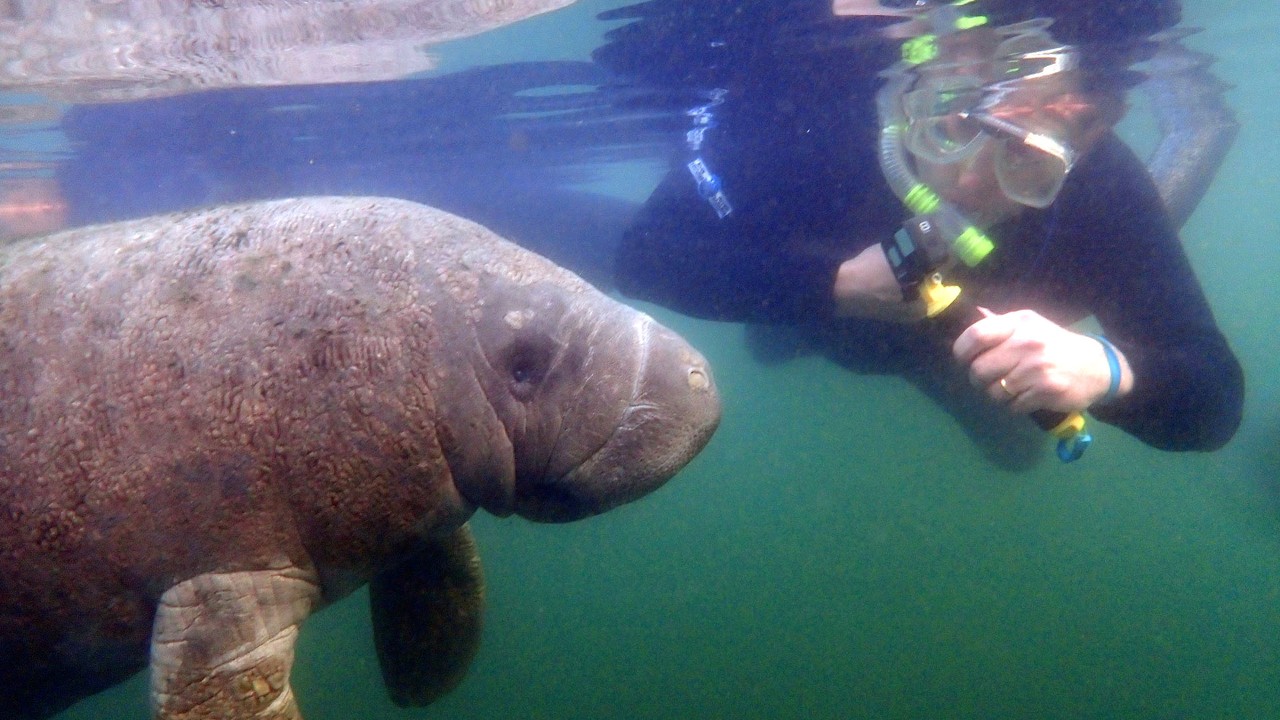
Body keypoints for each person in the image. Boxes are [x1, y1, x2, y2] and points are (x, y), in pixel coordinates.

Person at [609, 0, 1243, 465]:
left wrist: (1109, 373)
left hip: (957, 362)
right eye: (951, 125)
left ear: (1092, 127)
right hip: (822, 326)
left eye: (1023, 155)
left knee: (1018, 458)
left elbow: (1214, 398)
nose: (968, 181)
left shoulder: (1100, 188)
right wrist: (828, 287)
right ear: (911, 88)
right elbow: (646, 255)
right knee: (771, 343)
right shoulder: (813, 116)